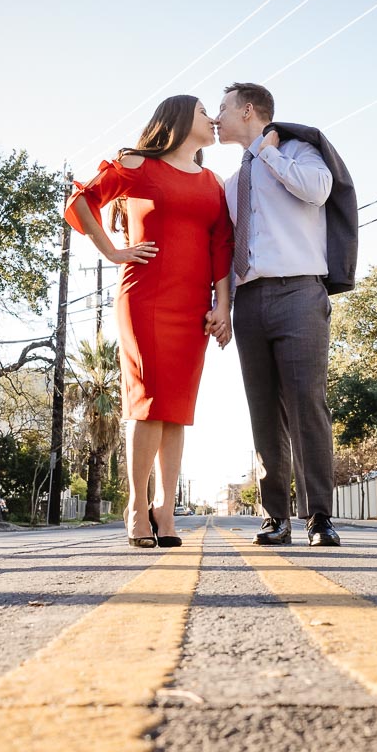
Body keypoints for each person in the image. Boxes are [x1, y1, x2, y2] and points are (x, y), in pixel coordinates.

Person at [65, 95, 234, 548]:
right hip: (146, 299)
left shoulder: (213, 183)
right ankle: (137, 506)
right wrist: (112, 251)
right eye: (204, 112)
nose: (213, 119)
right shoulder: (137, 164)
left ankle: (164, 507)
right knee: (147, 399)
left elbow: (221, 246)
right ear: (179, 120)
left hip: (194, 304)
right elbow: (81, 199)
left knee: (176, 408)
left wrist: (223, 306)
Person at [214, 81, 358, 547]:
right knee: (262, 414)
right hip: (249, 301)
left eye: (223, 109)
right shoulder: (233, 181)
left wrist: (269, 154)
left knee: (306, 405)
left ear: (249, 110)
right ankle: (275, 517)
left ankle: (320, 517)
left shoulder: (299, 150)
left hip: (299, 292)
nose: (216, 118)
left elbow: (319, 191)